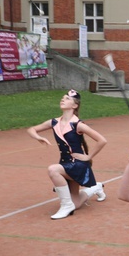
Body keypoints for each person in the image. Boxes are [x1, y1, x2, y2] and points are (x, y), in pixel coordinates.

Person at [27, 90, 107, 219]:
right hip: (65, 163)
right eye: (63, 97)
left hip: (78, 164)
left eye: (67, 98)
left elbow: (102, 140)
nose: (63, 99)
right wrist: (38, 137)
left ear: (74, 106)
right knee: (76, 203)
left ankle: (66, 205)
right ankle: (95, 188)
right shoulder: (54, 122)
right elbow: (31, 129)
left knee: (53, 170)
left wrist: (88, 157)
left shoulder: (78, 125)